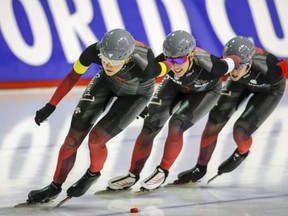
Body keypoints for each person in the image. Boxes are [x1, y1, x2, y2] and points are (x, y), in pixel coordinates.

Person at [26, 28, 172, 204]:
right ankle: (54, 186)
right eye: (105, 59)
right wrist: (51, 105)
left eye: (115, 61)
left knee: (96, 139)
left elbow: (170, 63)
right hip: (105, 83)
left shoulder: (146, 65)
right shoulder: (93, 51)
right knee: (72, 139)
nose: (109, 65)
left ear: (126, 59)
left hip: (136, 95)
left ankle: (92, 173)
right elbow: (73, 77)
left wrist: (142, 105)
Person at [107, 30, 243, 191]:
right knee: (151, 123)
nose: (175, 65)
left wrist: (240, 58)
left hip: (206, 92)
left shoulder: (212, 66)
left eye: (179, 59)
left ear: (191, 54)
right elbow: (144, 77)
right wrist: (139, 101)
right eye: (171, 60)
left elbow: (235, 59)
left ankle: (162, 171)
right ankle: (132, 175)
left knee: (176, 124)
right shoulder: (164, 60)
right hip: (174, 86)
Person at [173, 36, 287, 184]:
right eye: (232, 65)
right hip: (239, 84)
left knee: (240, 130)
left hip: (270, 90)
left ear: (250, 62)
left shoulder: (269, 70)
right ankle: (200, 168)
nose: (233, 71)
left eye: (239, 66)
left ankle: (242, 152)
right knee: (214, 122)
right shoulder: (229, 69)